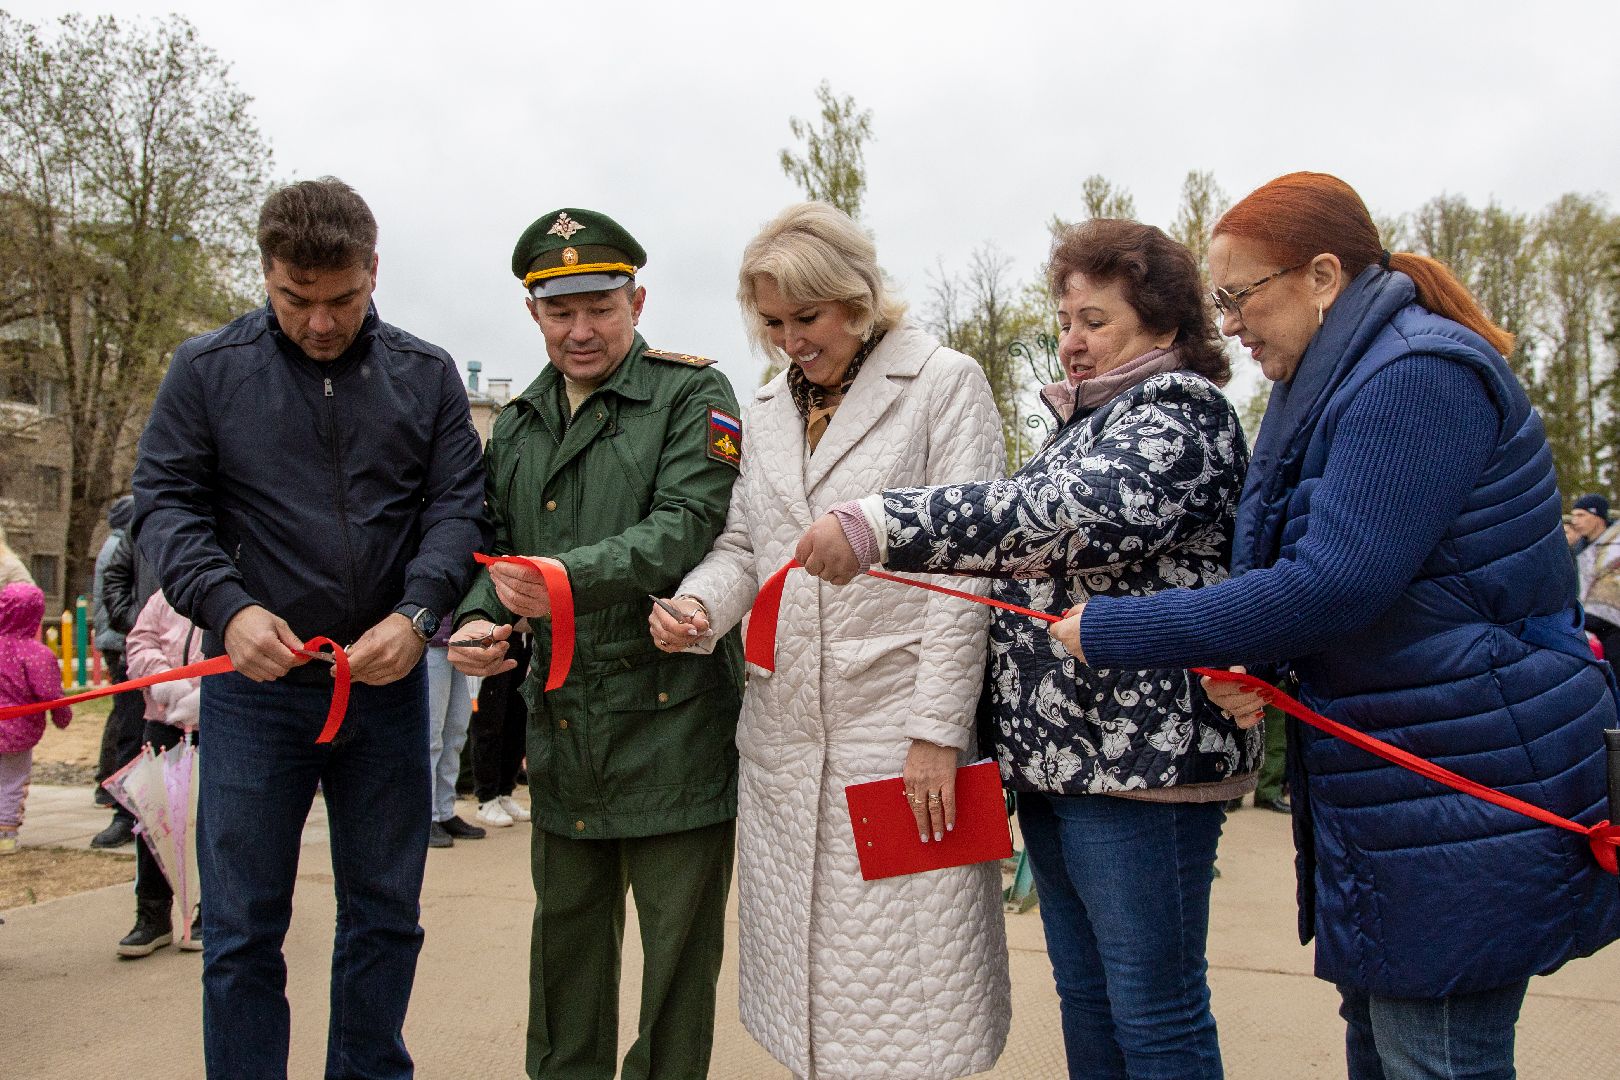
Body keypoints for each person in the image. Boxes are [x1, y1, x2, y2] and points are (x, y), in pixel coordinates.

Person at [1044, 172, 1620, 1080]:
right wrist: (1257, 659)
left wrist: (1123, 630)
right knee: (1391, 1049)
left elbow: (1336, 584)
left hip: (1460, 773)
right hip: (1405, 777)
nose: (1228, 323)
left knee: (1433, 1056)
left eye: (1240, 297)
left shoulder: (1416, 375)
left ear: (1321, 276)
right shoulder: (1346, 378)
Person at [795, 217, 1256, 1079]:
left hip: (1141, 772)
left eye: (1097, 322)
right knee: (1086, 997)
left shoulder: (1180, 417)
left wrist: (880, 521)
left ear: (1163, 325)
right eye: (1067, 320)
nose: (1072, 342)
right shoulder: (1087, 422)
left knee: (1155, 1011)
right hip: (1060, 764)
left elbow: (1058, 518)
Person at [131, 177, 488, 1079]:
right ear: (267, 274)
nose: (321, 322)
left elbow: (456, 510)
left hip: (386, 684)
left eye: (343, 300)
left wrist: (418, 616)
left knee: (385, 913)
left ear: (375, 270)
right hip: (253, 692)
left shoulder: (426, 374)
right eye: (297, 300)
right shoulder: (206, 371)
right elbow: (164, 506)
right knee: (244, 925)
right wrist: (226, 605)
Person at [648, 201, 1011, 1079]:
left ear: (855, 299)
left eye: (805, 318)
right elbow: (745, 546)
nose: (788, 341)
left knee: (921, 1004)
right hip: (784, 741)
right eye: (771, 323)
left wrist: (935, 733)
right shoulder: (765, 408)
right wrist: (700, 610)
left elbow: (971, 570)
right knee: (809, 1001)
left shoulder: (944, 383)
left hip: (898, 739)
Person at [449, 207, 745, 1080]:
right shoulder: (521, 419)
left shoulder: (694, 394)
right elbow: (490, 541)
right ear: (533, 315)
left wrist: (559, 579)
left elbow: (688, 525)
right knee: (566, 957)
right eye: (559, 312)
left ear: (637, 300)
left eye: (601, 308)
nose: (581, 331)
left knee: (675, 972)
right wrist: (477, 616)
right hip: (567, 724)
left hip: (674, 723)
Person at [116, 588, 205, 956]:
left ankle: (209, 912)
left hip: (217, 720)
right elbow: (139, 642)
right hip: (164, 719)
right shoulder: (164, 595)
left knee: (209, 820)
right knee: (154, 819)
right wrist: (162, 678)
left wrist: (209, 693)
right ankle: (152, 915)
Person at [0, 582, 71, 855]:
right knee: (12, 782)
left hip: (13, 725)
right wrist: (61, 716)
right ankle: (5, 835)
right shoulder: (37, 655)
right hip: (18, 733)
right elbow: (50, 693)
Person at [425, 618, 484, 847]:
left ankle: (445, 810)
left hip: (469, 643)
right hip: (433, 641)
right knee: (431, 735)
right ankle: (427, 816)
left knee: (457, 733)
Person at [471, 630, 532, 828]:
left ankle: (504, 792)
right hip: (495, 639)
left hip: (526, 639)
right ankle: (486, 798)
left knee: (517, 722)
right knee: (490, 722)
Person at [1572, 494, 1620, 659]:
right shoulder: (1580, 548)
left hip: (1612, 625)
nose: (1575, 520)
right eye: (1574, 515)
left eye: (1581, 515)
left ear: (1598, 517)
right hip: (1593, 625)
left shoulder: (1615, 546)